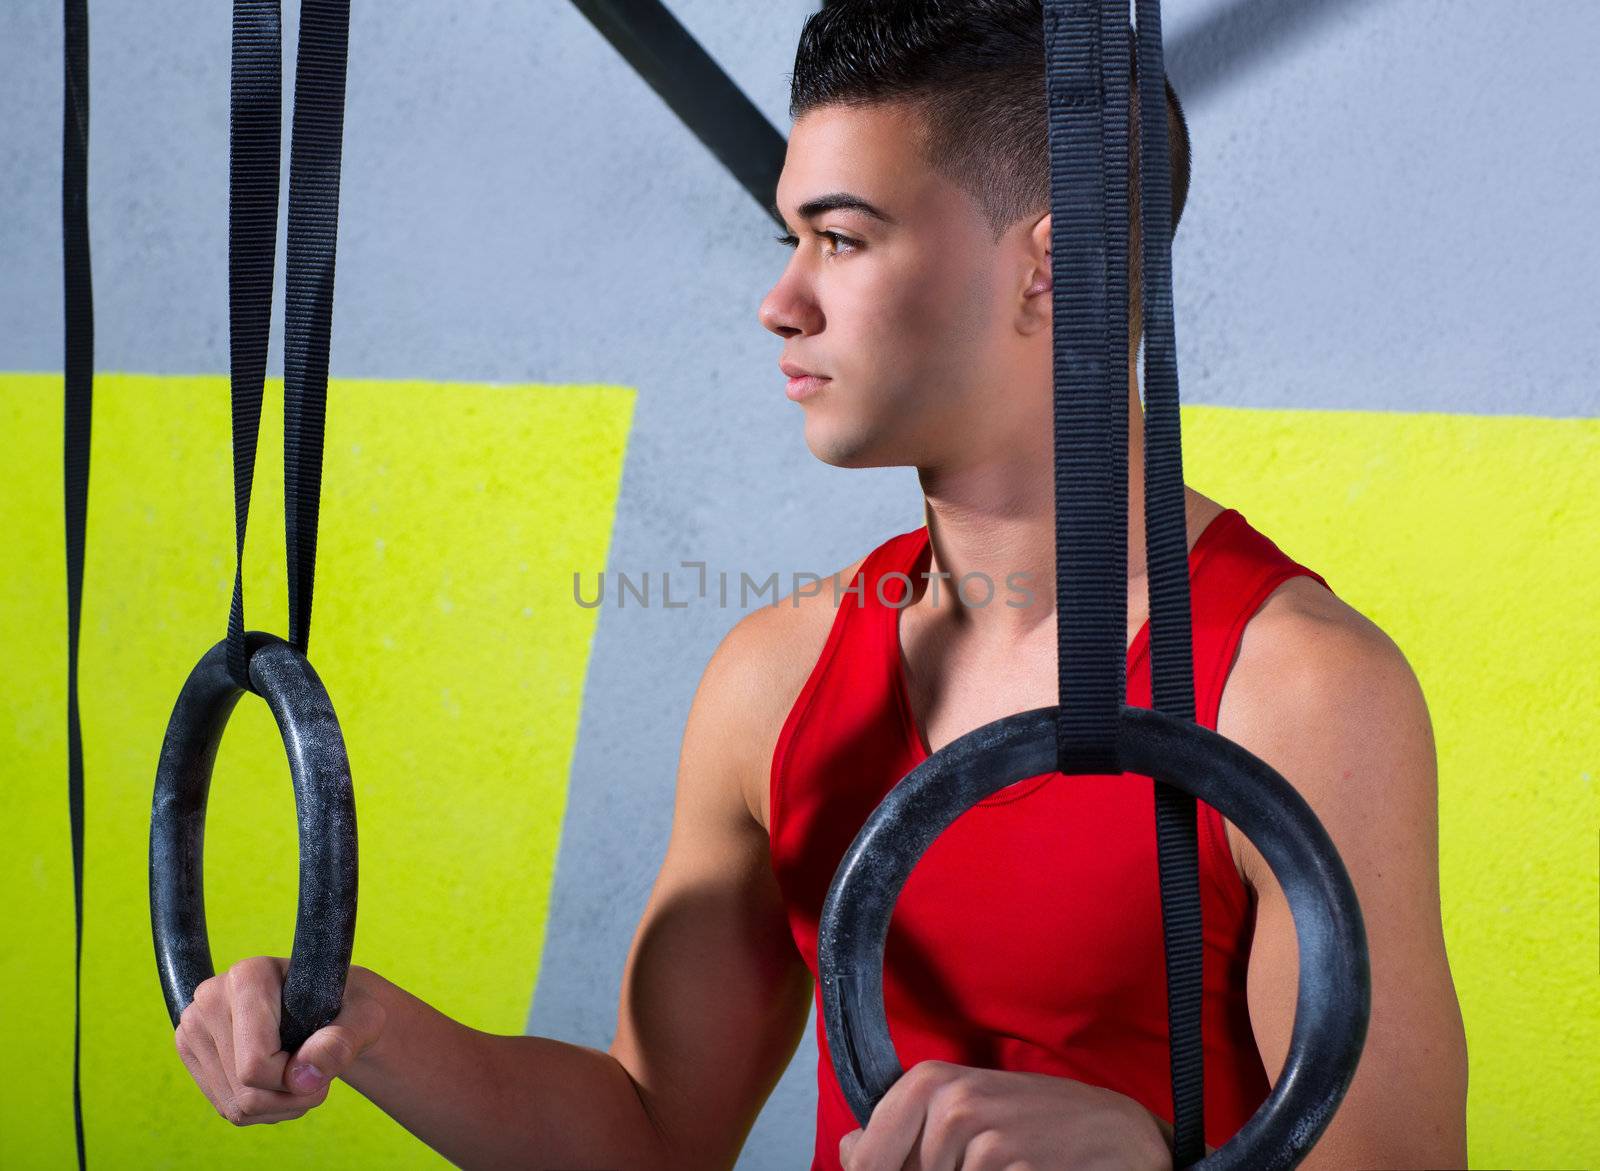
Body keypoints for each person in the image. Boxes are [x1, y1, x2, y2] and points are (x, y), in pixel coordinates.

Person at [171, 2, 1469, 1168]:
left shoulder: (1295, 693)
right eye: (791, 236)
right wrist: (359, 1022)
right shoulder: (774, 677)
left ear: (1051, 267)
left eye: (840, 240)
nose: (779, 301)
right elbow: (651, 1132)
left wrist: (1153, 1165)